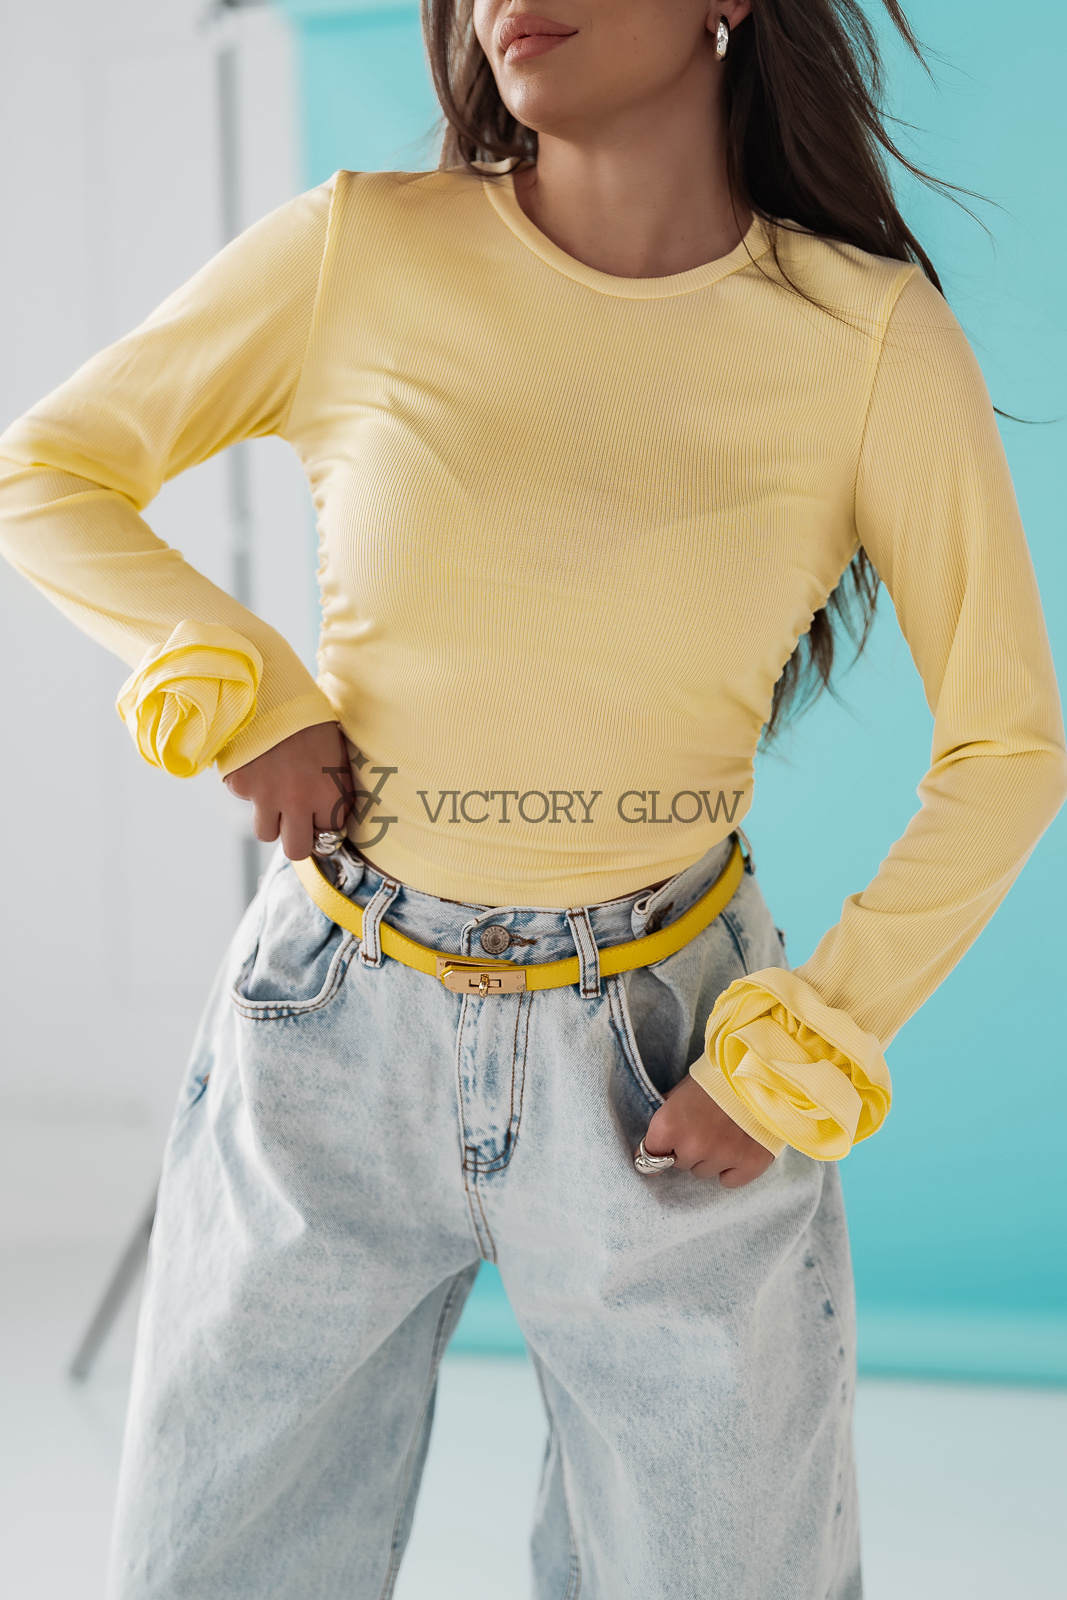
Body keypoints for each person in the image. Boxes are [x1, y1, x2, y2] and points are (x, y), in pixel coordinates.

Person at [1, 1, 1064, 1594]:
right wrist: (242, 684)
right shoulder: (358, 249)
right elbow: (49, 470)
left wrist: (807, 1048)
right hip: (329, 1023)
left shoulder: (867, 338)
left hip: (668, 1056)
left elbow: (1009, 746)